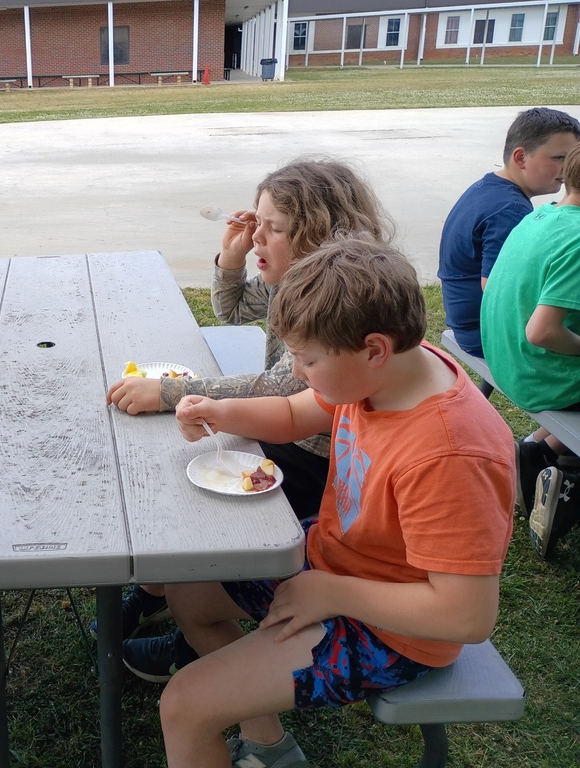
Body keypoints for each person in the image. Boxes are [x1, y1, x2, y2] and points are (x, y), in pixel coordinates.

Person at [164, 236, 514, 768]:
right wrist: (222, 411)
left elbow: (465, 616)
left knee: (184, 706)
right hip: (330, 565)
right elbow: (295, 413)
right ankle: (268, 746)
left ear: (375, 348)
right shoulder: (383, 372)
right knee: (190, 594)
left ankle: (236, 725)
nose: (297, 371)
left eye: (306, 359)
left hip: (397, 630)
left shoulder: (449, 453)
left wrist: (330, 592)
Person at [104, 158, 395, 677]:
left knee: (190, 492)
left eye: (272, 228)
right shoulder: (293, 276)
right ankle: (156, 592)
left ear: (318, 235)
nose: (257, 235)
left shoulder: (339, 295)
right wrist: (235, 259)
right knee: (184, 467)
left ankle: (192, 631)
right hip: (288, 426)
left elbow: (286, 387)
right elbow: (232, 310)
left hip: (314, 454)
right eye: (254, 221)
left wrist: (172, 392)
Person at [437, 107, 580, 518]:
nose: (563, 169)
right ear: (520, 156)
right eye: (558, 158)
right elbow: (497, 286)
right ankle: (551, 462)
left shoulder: (502, 194)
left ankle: (538, 452)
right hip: (490, 334)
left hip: (481, 326)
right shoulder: (511, 211)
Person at [481, 142, 580, 559]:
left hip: (503, 362)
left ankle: (539, 449)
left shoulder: (539, 216)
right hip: (537, 375)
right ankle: (566, 497)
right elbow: (541, 331)